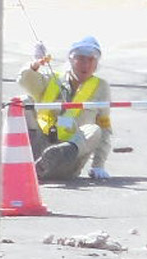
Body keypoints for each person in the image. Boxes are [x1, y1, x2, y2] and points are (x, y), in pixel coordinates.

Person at [19, 36, 113, 182]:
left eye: (90, 60)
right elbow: (25, 81)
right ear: (70, 60)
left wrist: (98, 165)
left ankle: (60, 153)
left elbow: (105, 127)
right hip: (42, 142)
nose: (85, 64)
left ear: (96, 64)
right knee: (22, 102)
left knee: (95, 130)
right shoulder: (54, 78)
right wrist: (35, 65)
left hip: (69, 160)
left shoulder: (101, 87)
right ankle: (23, 157)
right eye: (81, 59)